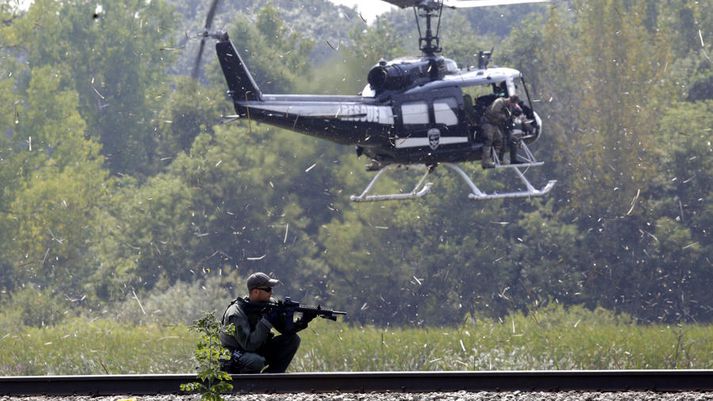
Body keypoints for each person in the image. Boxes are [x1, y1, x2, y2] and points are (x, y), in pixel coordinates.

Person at [218, 272, 315, 373]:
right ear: (255, 292)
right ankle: (250, 385)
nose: (271, 292)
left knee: (292, 340)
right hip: (234, 354)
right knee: (256, 361)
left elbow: (286, 331)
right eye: (268, 289)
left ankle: (272, 378)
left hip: (256, 349)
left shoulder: (268, 304)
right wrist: (266, 321)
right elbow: (249, 345)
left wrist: (303, 321)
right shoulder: (236, 313)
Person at [480, 95, 520, 168]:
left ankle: (497, 160)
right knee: (488, 140)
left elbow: (509, 115)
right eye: (513, 104)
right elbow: (494, 112)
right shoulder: (499, 102)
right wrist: (504, 117)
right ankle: (485, 162)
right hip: (488, 123)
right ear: (510, 101)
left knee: (500, 140)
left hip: (495, 124)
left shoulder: (509, 106)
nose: (513, 106)